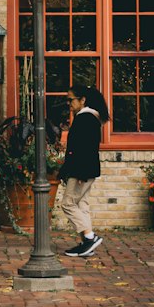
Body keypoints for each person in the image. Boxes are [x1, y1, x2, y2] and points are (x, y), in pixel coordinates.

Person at [58, 82, 110, 258]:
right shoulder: (91, 118)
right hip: (86, 169)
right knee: (81, 204)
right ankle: (87, 245)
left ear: (83, 100)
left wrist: (79, 172)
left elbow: (84, 148)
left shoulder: (85, 119)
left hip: (81, 170)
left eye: (71, 100)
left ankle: (89, 237)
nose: (69, 104)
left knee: (68, 204)